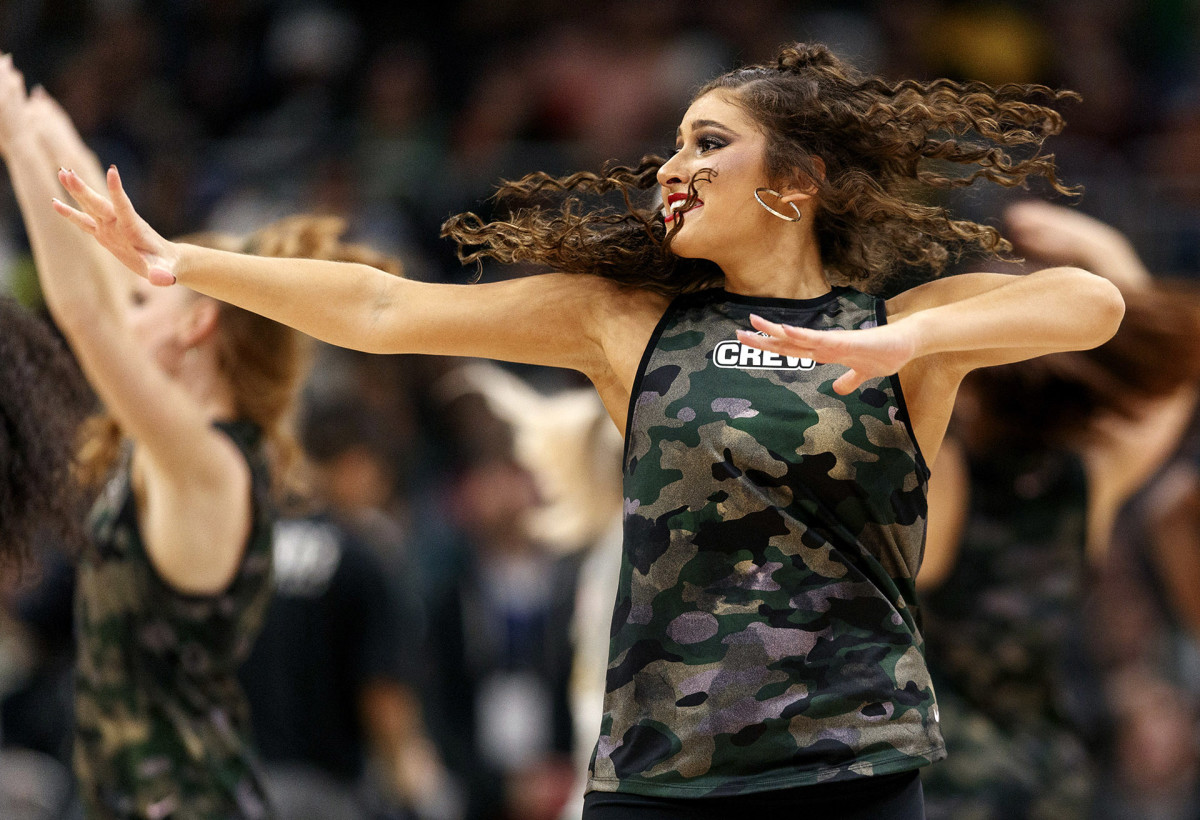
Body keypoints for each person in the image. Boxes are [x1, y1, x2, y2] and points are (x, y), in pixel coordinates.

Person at [53, 42, 1125, 819]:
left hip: (852, 769)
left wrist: (901, 347)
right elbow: (384, 311)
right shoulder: (623, 325)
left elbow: (1091, 301)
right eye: (671, 143)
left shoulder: (902, 329)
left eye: (709, 143)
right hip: (656, 777)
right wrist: (183, 260)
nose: (671, 167)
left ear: (794, 181)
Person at [0, 52, 316, 819]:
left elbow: (86, 313)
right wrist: (48, 130)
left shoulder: (209, 463)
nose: (127, 311)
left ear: (199, 324)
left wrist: (12, 141)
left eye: (148, 308)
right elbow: (107, 272)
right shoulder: (191, 444)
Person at [916, 200, 1200, 819]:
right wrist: (1103, 252)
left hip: (933, 784)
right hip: (1041, 777)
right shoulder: (1086, 483)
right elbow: (1164, 390)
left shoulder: (933, 468)